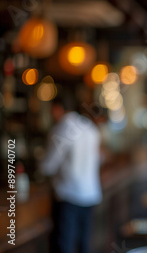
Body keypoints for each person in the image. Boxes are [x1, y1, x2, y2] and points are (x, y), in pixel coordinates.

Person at [41, 96, 102, 253]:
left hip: (69, 195)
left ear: (57, 109)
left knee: (65, 244)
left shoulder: (61, 129)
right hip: (90, 193)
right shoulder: (89, 127)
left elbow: (47, 166)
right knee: (83, 243)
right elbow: (97, 158)